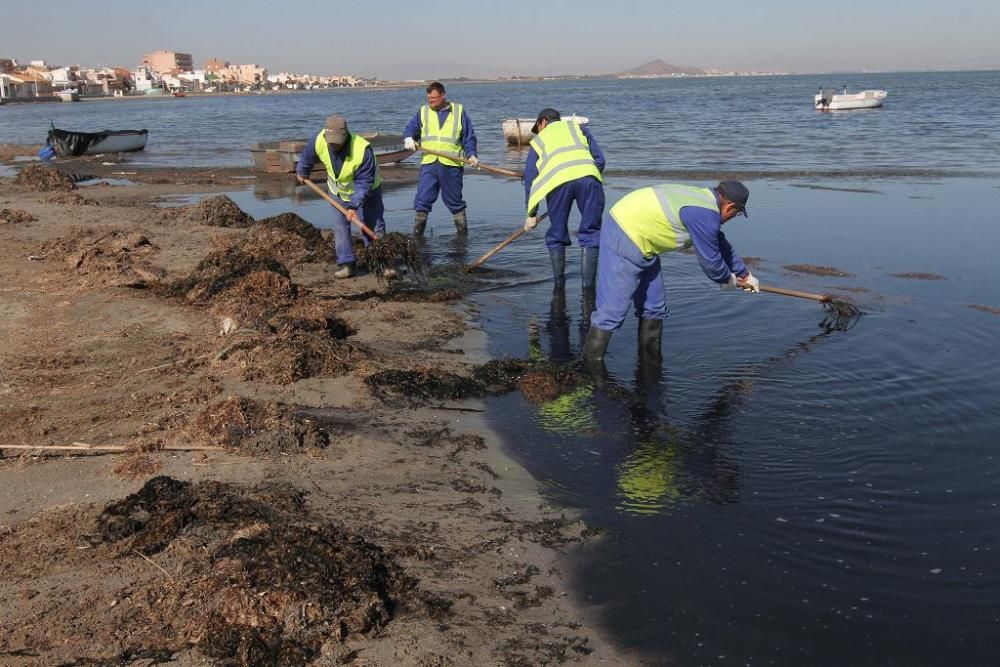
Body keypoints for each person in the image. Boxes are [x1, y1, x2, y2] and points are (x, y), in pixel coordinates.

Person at [582, 181, 760, 363]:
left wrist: (744, 274)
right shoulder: (703, 214)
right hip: (624, 232)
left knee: (654, 308)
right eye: (737, 213)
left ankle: (649, 365)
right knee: (612, 312)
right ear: (730, 206)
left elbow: (718, 242)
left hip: (645, 241)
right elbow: (712, 263)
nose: (734, 217)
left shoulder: (704, 201)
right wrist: (728, 280)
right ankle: (588, 371)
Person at [522, 108, 605, 293]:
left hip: (558, 185)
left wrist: (531, 213)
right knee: (591, 233)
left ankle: (559, 286)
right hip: (589, 180)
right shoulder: (580, 129)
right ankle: (588, 289)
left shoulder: (538, 142)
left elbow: (530, 179)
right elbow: (599, 159)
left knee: (557, 234)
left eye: (538, 127)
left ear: (543, 122)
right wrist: (589, 177)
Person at [296, 115, 389, 279]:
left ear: (346, 135)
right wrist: (302, 171)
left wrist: (353, 206)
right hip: (338, 191)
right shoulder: (318, 140)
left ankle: (381, 263)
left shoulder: (362, 150)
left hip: (367, 191)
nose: (333, 145)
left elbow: (364, 182)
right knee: (340, 227)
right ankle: (347, 264)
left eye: (337, 142)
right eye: (331, 141)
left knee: (373, 225)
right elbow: (307, 156)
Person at [403, 81, 478, 236]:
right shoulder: (423, 112)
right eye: (429, 98)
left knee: (455, 201)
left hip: (451, 165)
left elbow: (468, 137)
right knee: (422, 201)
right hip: (429, 164)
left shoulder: (458, 111)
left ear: (443, 96)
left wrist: (472, 155)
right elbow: (411, 128)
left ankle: (462, 239)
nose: (431, 101)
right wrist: (409, 138)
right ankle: (417, 238)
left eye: (434, 98)